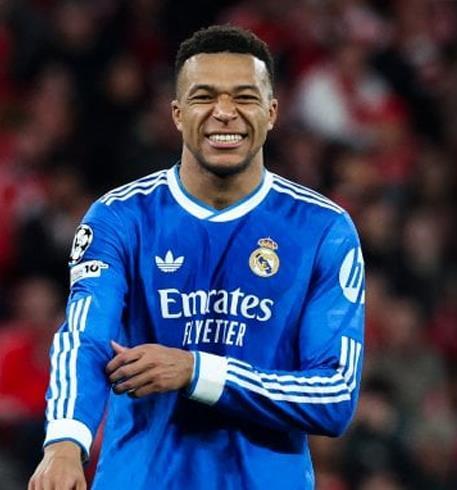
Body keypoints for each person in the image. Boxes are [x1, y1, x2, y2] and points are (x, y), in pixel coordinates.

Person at [29, 25, 365, 490]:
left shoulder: (323, 229)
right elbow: (85, 335)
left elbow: (335, 395)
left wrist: (197, 370)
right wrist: (65, 442)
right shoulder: (120, 216)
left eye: (244, 97)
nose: (224, 113)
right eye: (204, 96)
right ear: (177, 114)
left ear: (271, 113)